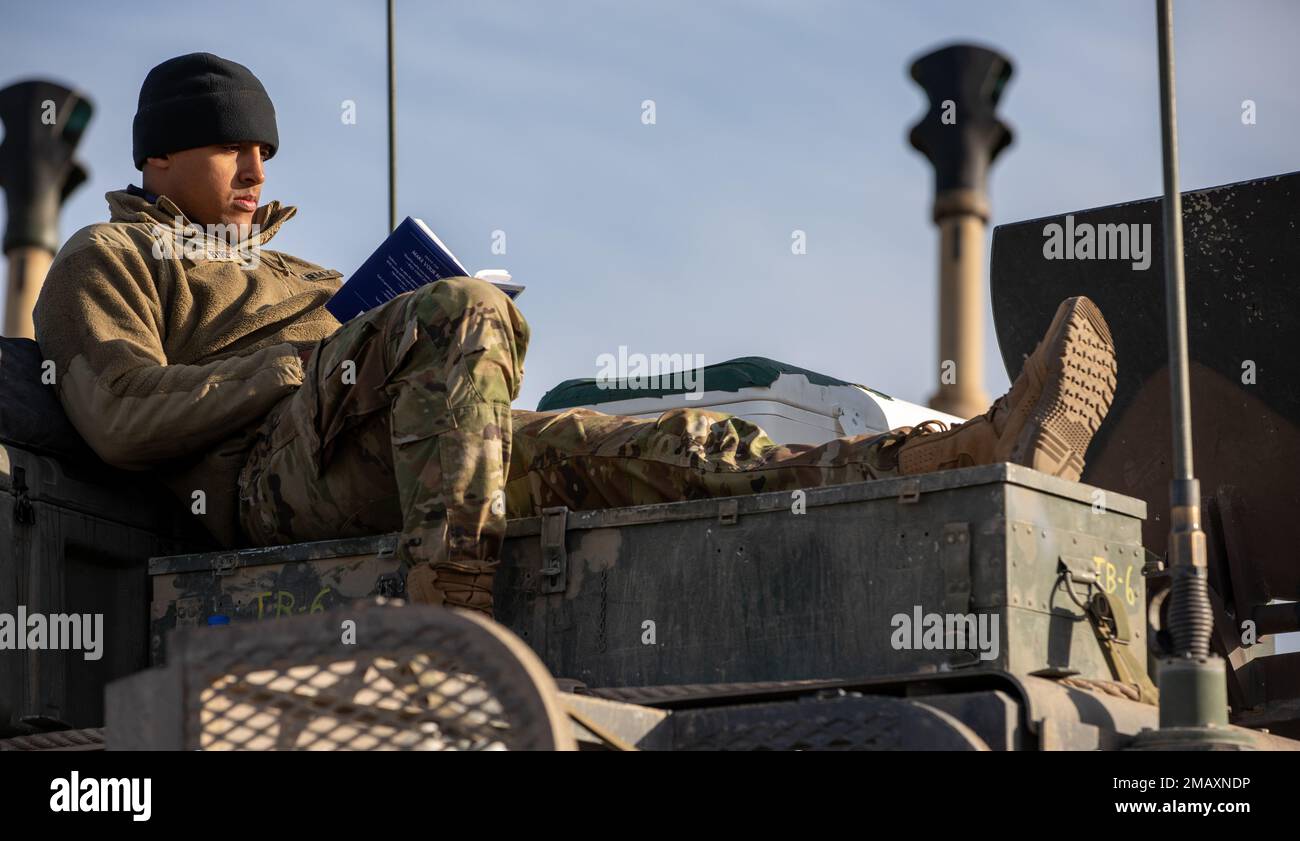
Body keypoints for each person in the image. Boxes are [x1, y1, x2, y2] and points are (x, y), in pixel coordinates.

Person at [33, 53, 1117, 619]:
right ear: (159, 163)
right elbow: (122, 417)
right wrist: (302, 362)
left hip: (378, 455)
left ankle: (947, 453)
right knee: (464, 313)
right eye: (229, 150)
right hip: (255, 493)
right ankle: (448, 589)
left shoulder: (299, 273)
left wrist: (376, 338)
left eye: (265, 150)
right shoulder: (108, 256)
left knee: (633, 440)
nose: (258, 173)